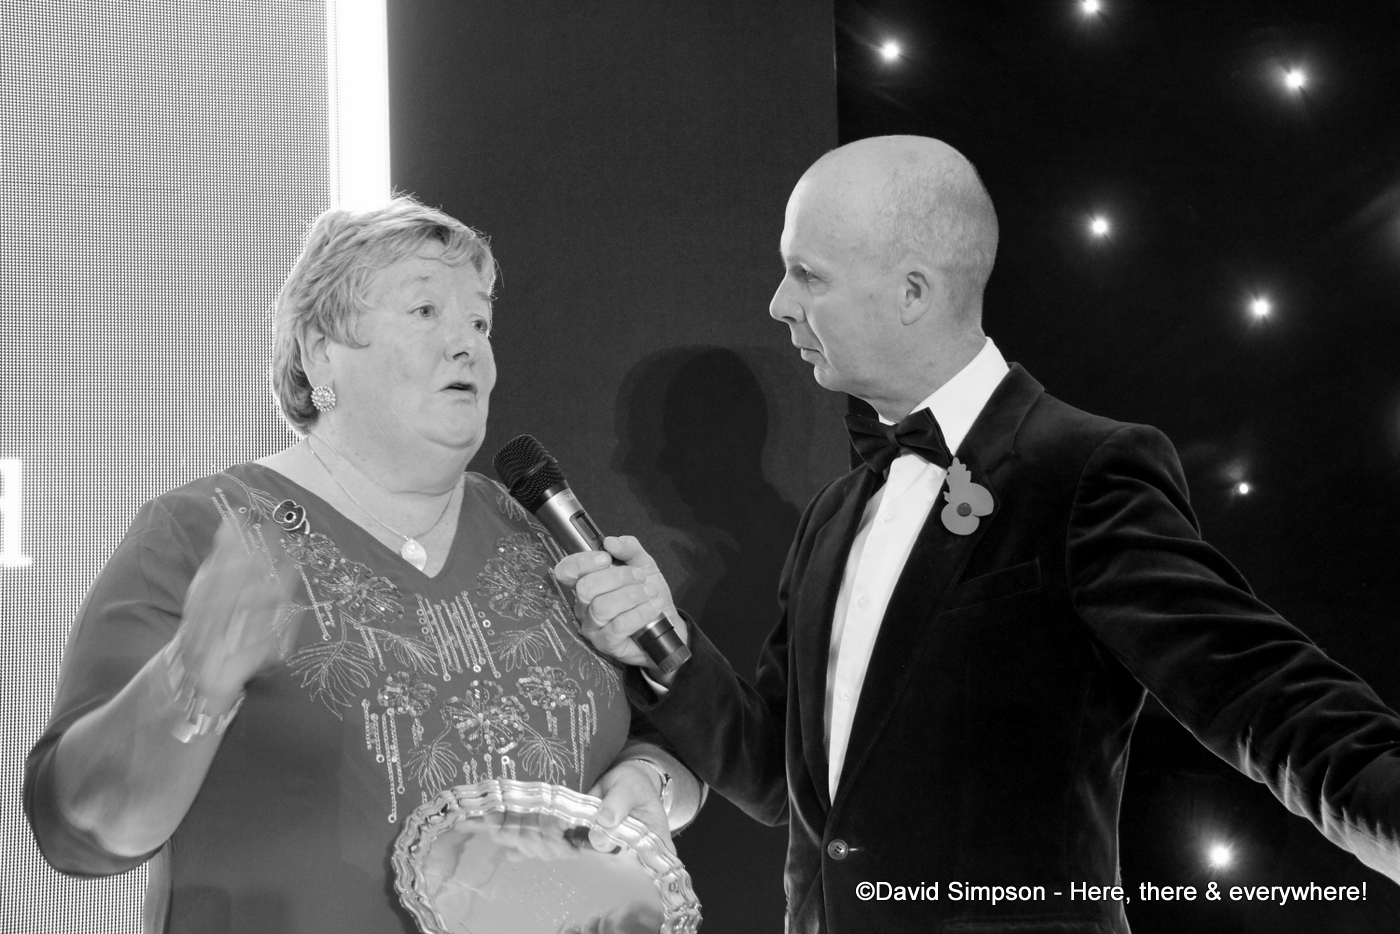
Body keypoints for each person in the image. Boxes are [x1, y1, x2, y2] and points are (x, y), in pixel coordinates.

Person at [557, 136, 1400, 933]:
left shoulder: (1081, 471)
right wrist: (662, 644)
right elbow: (782, 779)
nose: (780, 305)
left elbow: (1271, 699)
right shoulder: (835, 515)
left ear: (913, 293)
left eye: (807, 275)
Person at [24, 196, 700, 934]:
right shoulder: (198, 531)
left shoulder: (532, 530)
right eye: (425, 311)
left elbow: (673, 748)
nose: (468, 346)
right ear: (321, 352)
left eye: (480, 322)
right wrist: (189, 678)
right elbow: (75, 833)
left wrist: (650, 778)